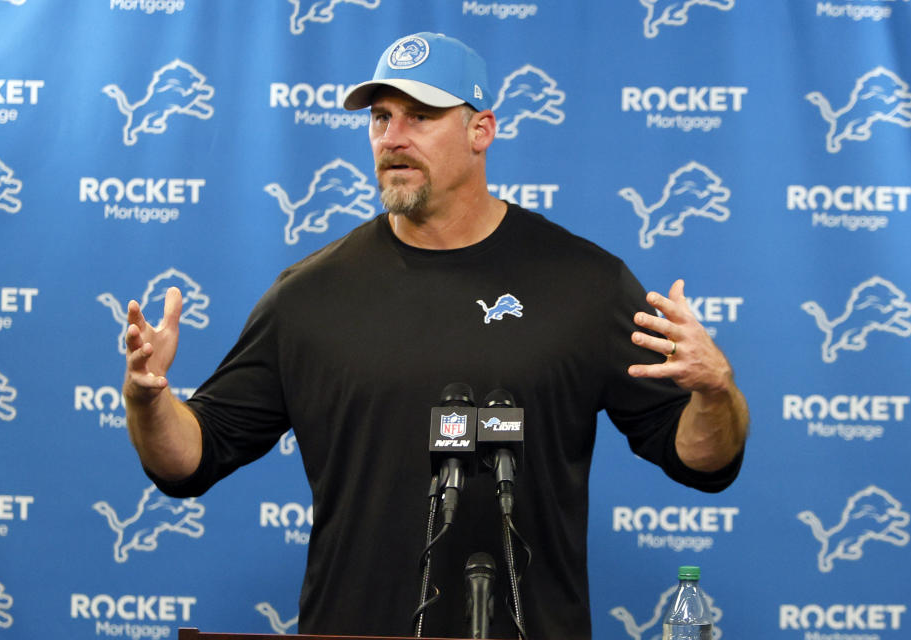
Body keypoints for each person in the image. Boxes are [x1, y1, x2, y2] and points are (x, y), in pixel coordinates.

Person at [122, 32, 748, 640]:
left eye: (421, 116)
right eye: (380, 117)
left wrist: (716, 393)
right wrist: (148, 402)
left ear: (481, 130)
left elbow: (701, 461)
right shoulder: (308, 297)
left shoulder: (587, 284)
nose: (392, 137)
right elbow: (192, 461)